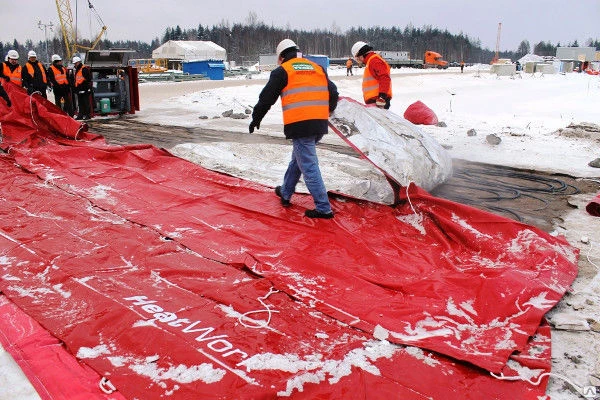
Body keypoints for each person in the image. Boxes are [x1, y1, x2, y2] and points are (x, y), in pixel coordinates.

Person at [249, 39, 339, 219]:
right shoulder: (317, 68)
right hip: (319, 123)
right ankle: (286, 192)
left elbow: (266, 98)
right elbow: (334, 92)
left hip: (300, 124)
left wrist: (256, 118)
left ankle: (323, 208)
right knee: (298, 159)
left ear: (282, 56)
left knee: (308, 166)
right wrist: (325, 110)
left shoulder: (283, 71)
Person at [351, 41, 392, 109]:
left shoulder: (374, 61)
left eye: (358, 58)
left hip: (379, 101)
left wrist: (382, 96)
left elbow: (384, 77)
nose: (359, 61)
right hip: (376, 101)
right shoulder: (371, 61)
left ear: (361, 54)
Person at [72, 56, 93, 120]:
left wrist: (85, 87)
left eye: (75, 63)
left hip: (84, 89)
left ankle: (88, 115)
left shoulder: (84, 69)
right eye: (74, 63)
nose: (74, 64)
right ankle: (80, 115)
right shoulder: (78, 69)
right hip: (79, 89)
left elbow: (88, 79)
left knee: (86, 103)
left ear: (78, 62)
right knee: (80, 103)